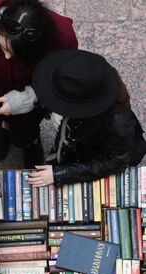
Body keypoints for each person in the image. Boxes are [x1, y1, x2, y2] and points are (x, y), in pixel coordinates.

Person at [0, 0, 78, 166]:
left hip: (33, 94)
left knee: (29, 123)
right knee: (1, 114)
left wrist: (31, 96)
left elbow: (62, 74)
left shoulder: (63, 37)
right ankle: (5, 127)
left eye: (13, 52)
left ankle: (30, 139)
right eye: (2, 46)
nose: (6, 57)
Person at [27, 49, 146, 188]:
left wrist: (60, 174)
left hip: (93, 156)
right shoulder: (79, 76)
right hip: (74, 143)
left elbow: (115, 162)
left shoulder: (119, 121)